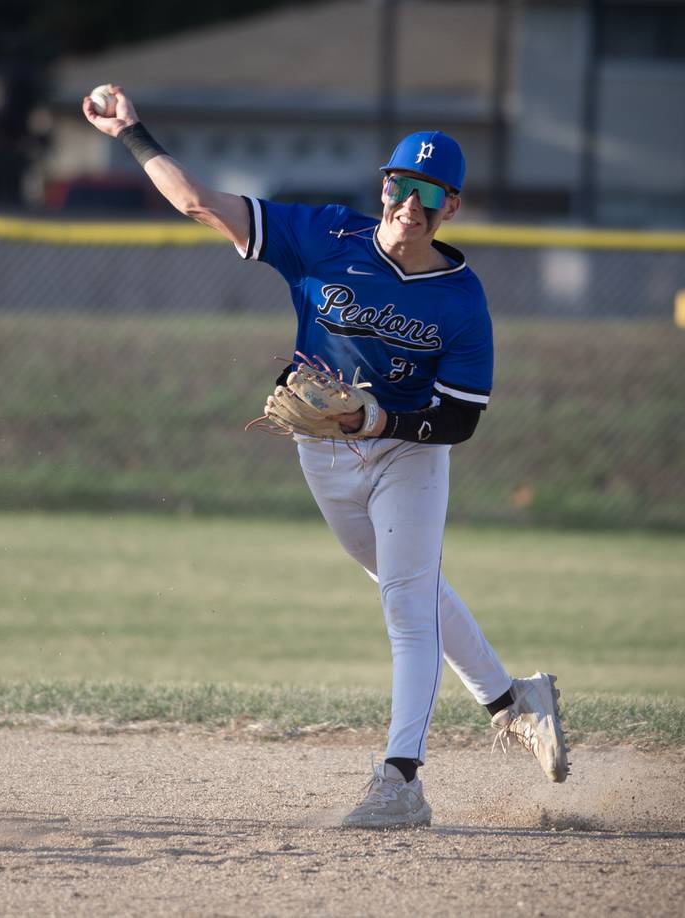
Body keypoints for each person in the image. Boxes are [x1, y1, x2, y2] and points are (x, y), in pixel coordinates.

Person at [83, 85, 568, 828]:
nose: (411, 204)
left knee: (406, 606)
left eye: (430, 194)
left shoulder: (462, 299)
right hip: (323, 452)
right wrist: (132, 132)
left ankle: (401, 781)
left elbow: (461, 421)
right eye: (402, 186)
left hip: (407, 454)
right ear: (384, 187)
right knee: (415, 585)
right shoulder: (322, 237)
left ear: (452, 209)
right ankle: (513, 698)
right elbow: (198, 203)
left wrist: (378, 417)